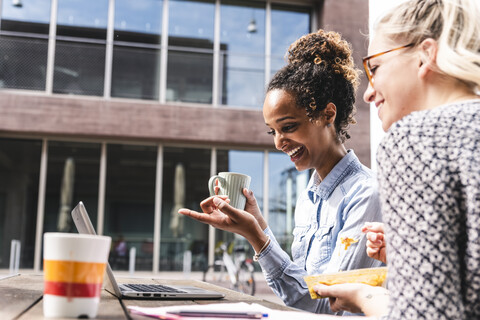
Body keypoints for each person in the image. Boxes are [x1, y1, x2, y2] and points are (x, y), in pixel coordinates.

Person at [179, 29, 383, 315]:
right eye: (272, 131)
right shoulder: (308, 199)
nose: (278, 142)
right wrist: (258, 225)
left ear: (328, 115)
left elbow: (328, 305)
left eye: (288, 127)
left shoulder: (366, 194)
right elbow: (300, 289)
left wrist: (258, 238)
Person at [314, 0, 480, 318]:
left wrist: (367, 298)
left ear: (426, 54)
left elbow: (426, 315)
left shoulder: (415, 139)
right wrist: (414, 257)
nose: (368, 92)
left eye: (374, 68)